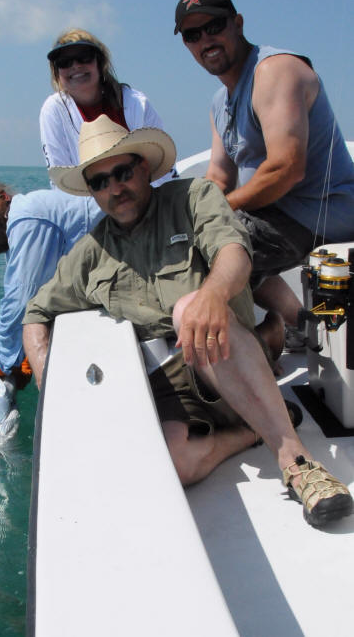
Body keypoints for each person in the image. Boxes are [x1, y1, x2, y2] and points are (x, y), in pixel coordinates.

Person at [22, 115, 352, 528]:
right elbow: (36, 312)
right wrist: (50, 384)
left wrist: (212, 296)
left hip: (224, 355)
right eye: (99, 181)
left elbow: (234, 251)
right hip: (169, 386)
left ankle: (297, 461)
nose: (114, 188)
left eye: (122, 172)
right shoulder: (91, 250)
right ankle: (250, 432)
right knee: (170, 466)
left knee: (189, 308)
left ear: (144, 168)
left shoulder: (194, 197)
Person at [173, 0, 354, 340]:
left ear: (237, 24)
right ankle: (294, 324)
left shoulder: (274, 71)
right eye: (193, 34)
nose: (205, 40)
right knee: (184, 239)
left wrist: (220, 212)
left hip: (319, 214)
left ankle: (250, 350)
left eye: (214, 27)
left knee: (203, 255)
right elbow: (219, 177)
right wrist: (182, 216)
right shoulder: (218, 102)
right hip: (275, 215)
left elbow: (287, 168)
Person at [0, 177, 103, 385]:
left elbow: (21, 299)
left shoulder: (25, 219)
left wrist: (4, 363)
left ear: (1, 197)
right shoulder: (18, 229)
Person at [39, 27, 178, 185]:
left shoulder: (138, 103)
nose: (75, 66)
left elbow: (164, 166)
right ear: (56, 72)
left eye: (84, 57)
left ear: (100, 62)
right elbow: (59, 179)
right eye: (64, 62)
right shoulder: (53, 110)